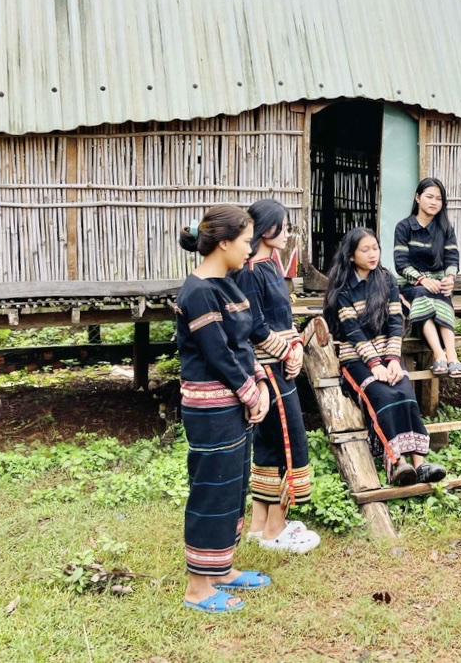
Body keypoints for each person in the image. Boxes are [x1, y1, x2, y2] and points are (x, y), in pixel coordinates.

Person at [175, 204, 272, 613]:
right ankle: (198, 587)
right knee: (211, 488)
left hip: (234, 403)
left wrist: (260, 384)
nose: (250, 249)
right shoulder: (197, 292)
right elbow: (217, 355)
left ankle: (222, 570)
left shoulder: (229, 284)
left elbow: (243, 343)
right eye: (247, 241)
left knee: (233, 486)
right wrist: (251, 393)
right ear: (225, 242)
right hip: (211, 408)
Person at [324, 227, 447, 487]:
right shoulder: (343, 288)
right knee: (381, 395)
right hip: (355, 358)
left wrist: (392, 359)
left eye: (375, 248)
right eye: (365, 249)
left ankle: (420, 463)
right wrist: (374, 364)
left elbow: (394, 322)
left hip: (387, 354)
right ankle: (396, 463)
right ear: (350, 255)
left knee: (403, 391)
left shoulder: (387, 279)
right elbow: (352, 331)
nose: (372, 254)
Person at [231, 199, 320, 554]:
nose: (287, 233)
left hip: (281, 363)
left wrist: (295, 343)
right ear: (268, 230)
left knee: (268, 444)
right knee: (288, 441)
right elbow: (254, 326)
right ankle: (276, 530)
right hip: (266, 368)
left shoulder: (271, 264)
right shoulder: (251, 271)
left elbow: (283, 318)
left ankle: (259, 525)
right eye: (283, 226)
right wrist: (287, 351)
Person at [393, 177, 461, 377]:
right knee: (422, 293)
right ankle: (439, 353)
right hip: (410, 284)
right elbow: (400, 263)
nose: (434, 202)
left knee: (441, 292)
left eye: (438, 199)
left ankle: (451, 355)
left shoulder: (446, 229)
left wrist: (450, 279)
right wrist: (423, 280)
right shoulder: (404, 227)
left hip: (438, 282)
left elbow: (452, 258)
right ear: (418, 198)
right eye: (429, 196)